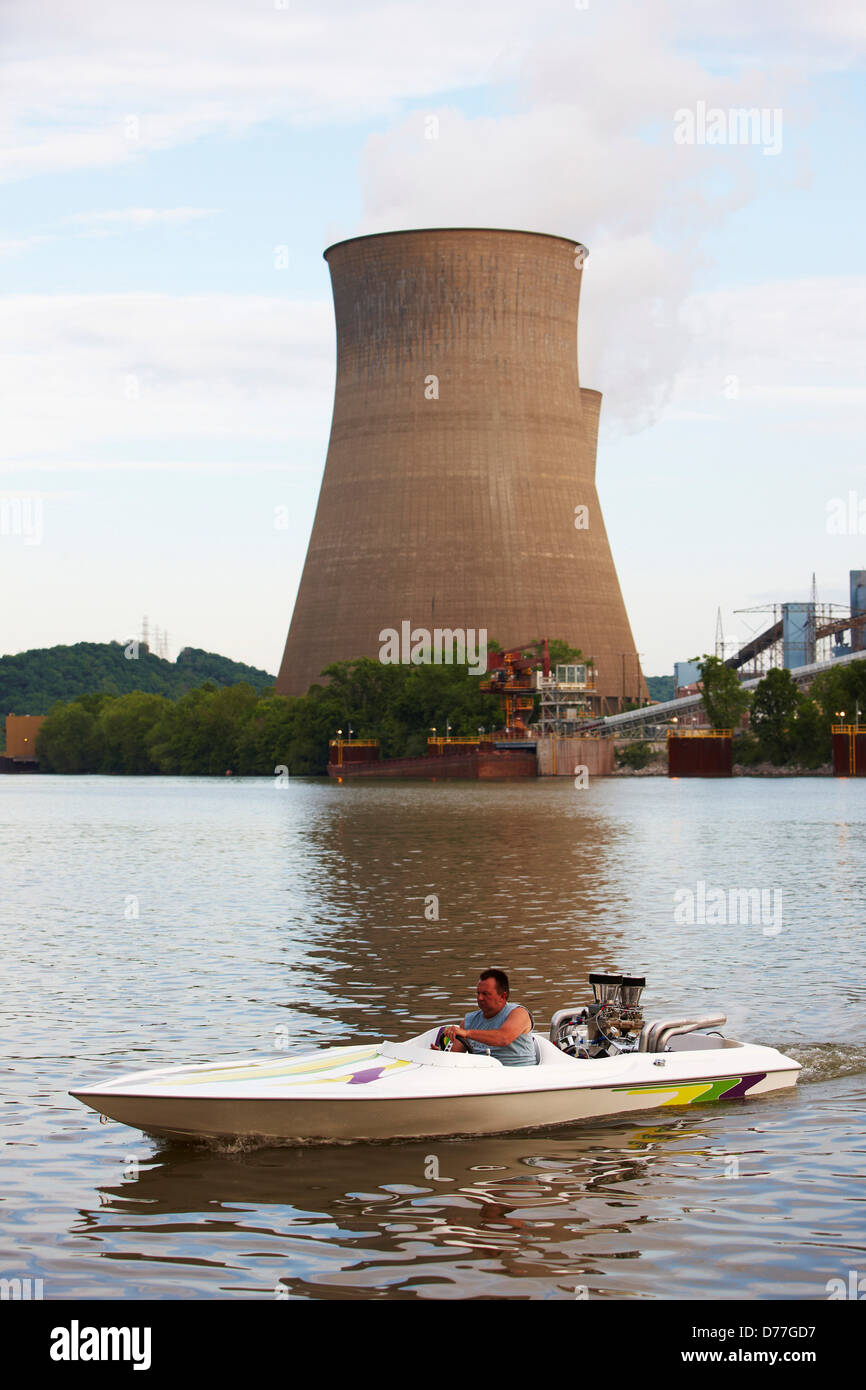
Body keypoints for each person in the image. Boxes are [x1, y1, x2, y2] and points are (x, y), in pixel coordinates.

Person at [435, 969, 536, 1066]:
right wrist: (440, 1056)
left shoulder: (519, 1013)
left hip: (519, 1075)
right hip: (482, 1075)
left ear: (503, 996)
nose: (480, 998)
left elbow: (503, 1038)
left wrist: (467, 1033)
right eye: (478, 993)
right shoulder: (469, 1021)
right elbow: (455, 1057)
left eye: (485, 994)